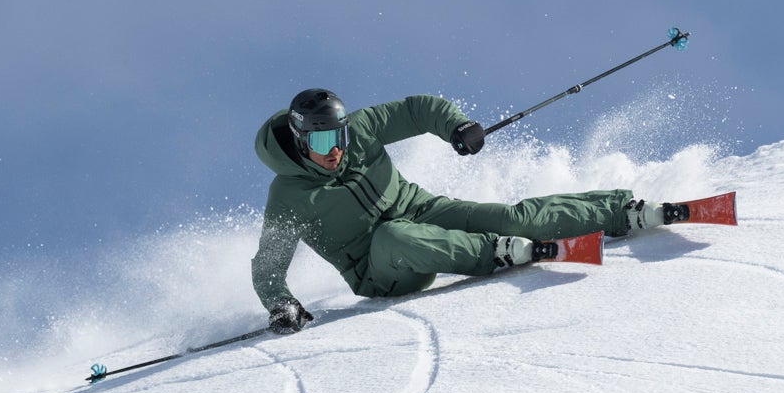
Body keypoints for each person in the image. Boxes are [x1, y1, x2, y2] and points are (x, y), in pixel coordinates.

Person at [252, 88, 679, 334]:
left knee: (512, 219)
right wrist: (281, 303)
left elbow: (417, 110)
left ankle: (621, 210)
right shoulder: (288, 197)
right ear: (301, 140)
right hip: (380, 268)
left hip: (420, 209)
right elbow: (268, 267)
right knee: (393, 236)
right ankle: (495, 252)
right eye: (323, 142)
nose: (336, 150)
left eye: (340, 136)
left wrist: (456, 126)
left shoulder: (360, 132)